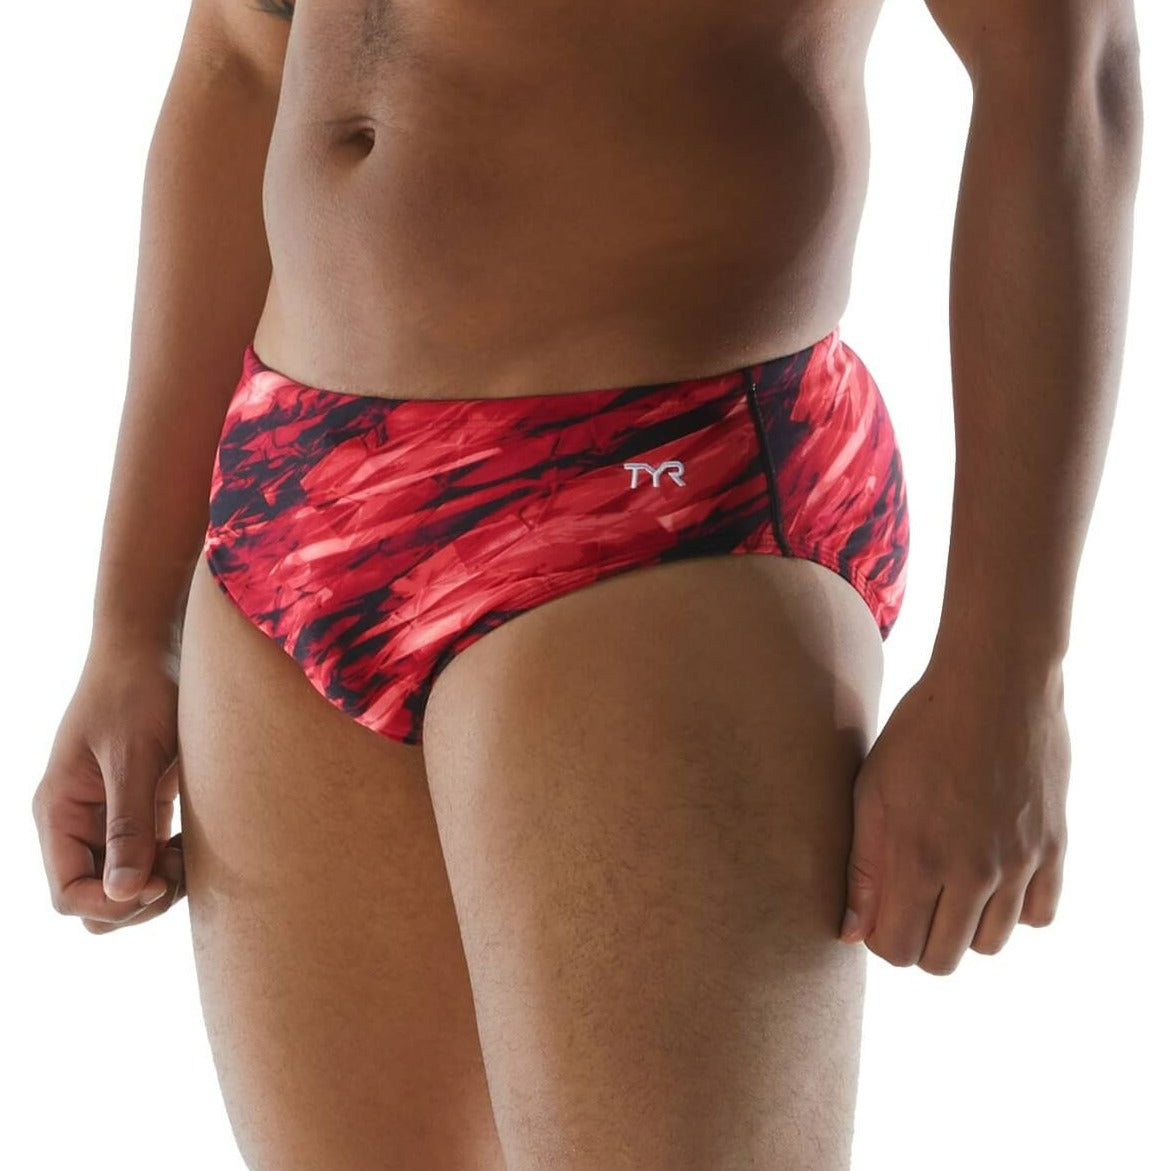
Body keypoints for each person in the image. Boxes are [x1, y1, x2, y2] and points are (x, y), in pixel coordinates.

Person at [30, 0, 1142, 1167]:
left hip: (652, 487)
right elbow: (241, 57)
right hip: (286, 496)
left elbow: (1065, 65)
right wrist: (131, 624)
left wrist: (1006, 680)